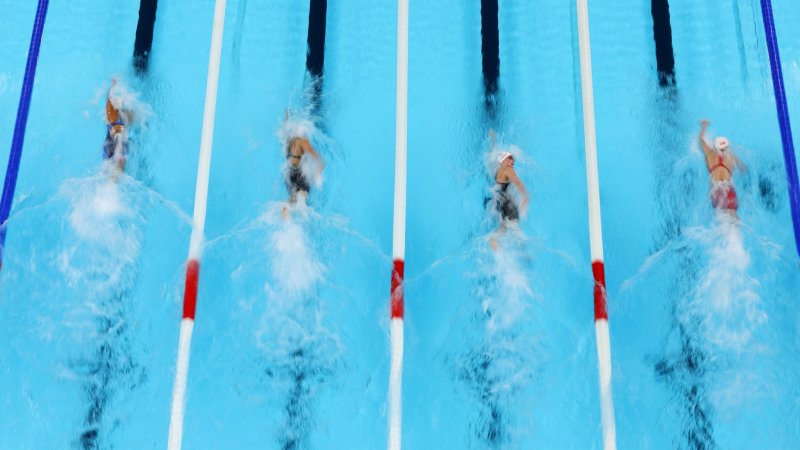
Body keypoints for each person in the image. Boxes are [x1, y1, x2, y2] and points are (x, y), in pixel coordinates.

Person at [698, 119, 746, 217]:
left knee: (720, 217)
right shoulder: (732, 157)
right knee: (733, 217)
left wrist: (704, 126)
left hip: (716, 189)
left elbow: (701, 140)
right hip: (728, 188)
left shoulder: (710, 155)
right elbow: (743, 169)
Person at [104, 80, 132, 172]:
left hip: (111, 143)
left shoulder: (111, 114)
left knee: (112, 165)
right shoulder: (124, 115)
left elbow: (108, 98)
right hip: (116, 141)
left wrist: (112, 85)